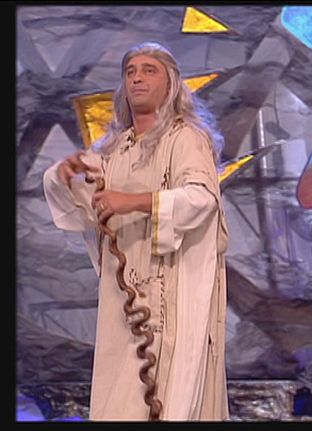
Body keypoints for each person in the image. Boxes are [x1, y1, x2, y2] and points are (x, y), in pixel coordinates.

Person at [43, 42, 230, 421]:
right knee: (119, 399)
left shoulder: (185, 137)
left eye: (149, 70)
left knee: (165, 394)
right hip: (123, 295)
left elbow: (201, 198)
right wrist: (67, 175)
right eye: (130, 71)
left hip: (169, 291)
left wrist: (132, 201)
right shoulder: (117, 147)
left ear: (171, 83)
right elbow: (90, 201)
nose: (137, 78)